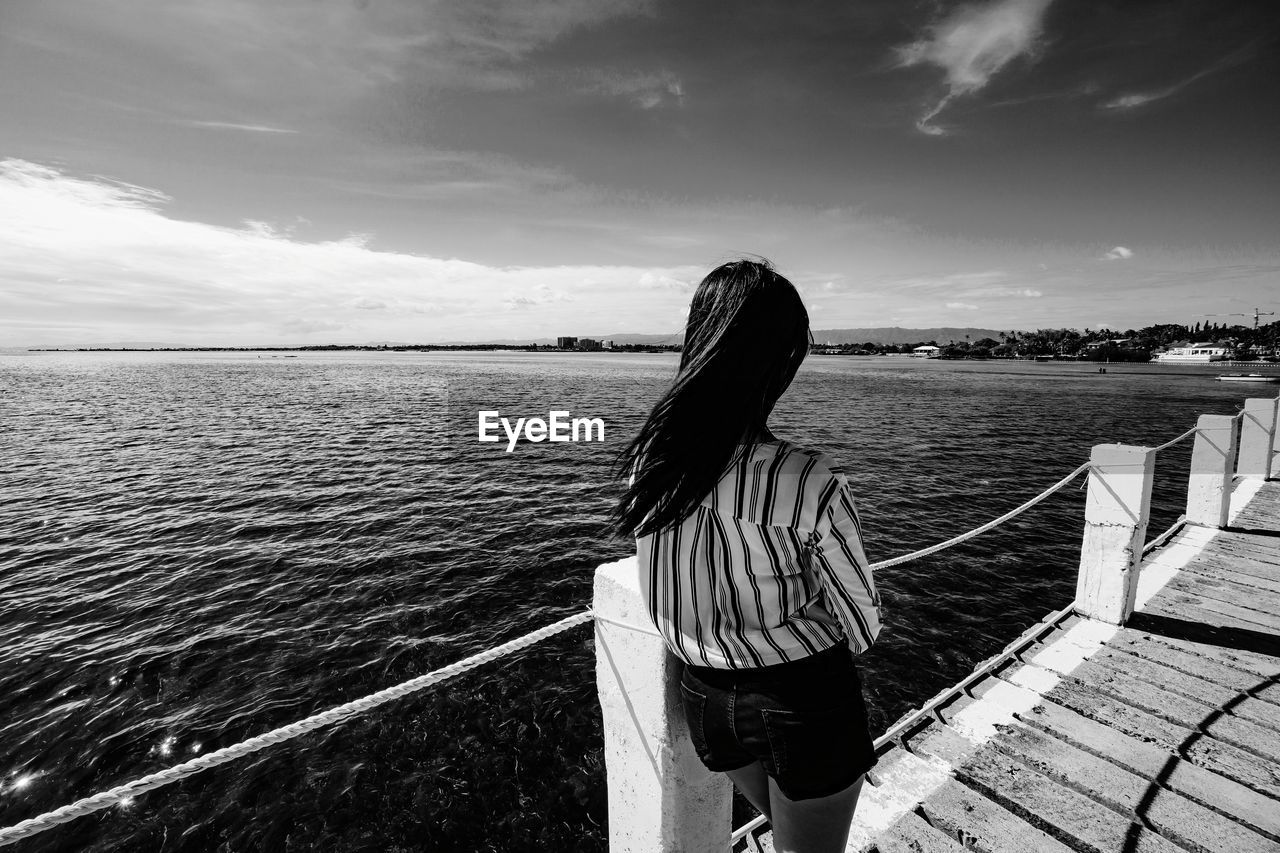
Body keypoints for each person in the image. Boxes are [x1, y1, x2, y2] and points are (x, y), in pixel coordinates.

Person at [613, 259, 882, 853]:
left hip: (705, 696)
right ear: (778, 361)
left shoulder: (652, 464)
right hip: (801, 699)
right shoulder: (806, 478)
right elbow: (862, 624)